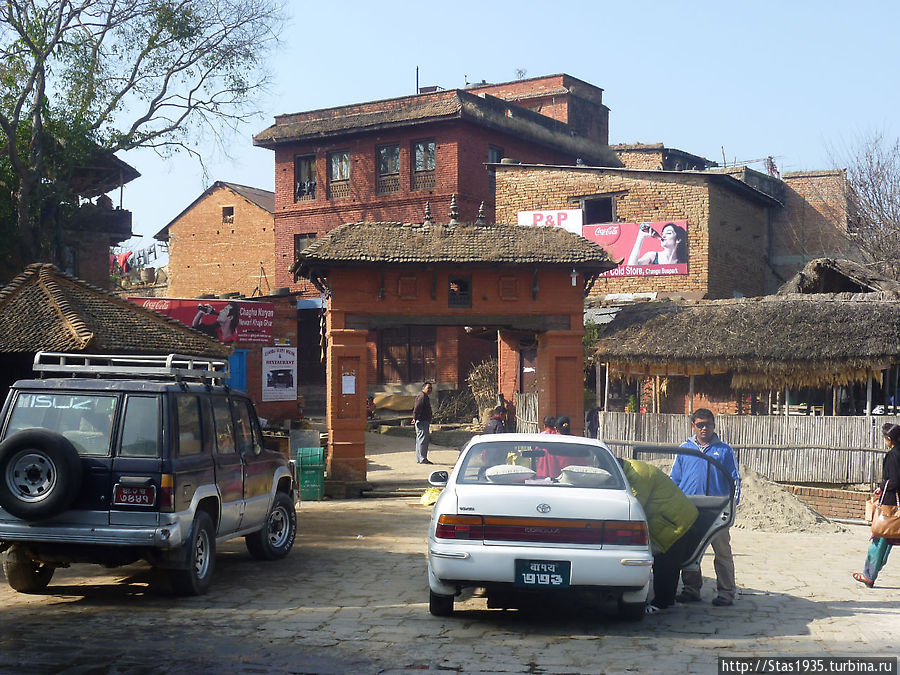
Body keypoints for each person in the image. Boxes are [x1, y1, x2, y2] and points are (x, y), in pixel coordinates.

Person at [671, 408, 741, 606]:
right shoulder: (684, 449)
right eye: (700, 424)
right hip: (689, 508)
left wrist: (731, 506)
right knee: (690, 551)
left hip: (717, 510)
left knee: (722, 552)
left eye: (708, 424)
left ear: (714, 426)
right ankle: (691, 589)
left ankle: (726, 592)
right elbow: (674, 479)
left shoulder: (725, 451)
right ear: (693, 426)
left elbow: (735, 479)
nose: (704, 428)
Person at [619, 458, 699, 613]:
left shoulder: (639, 474)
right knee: (668, 563)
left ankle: (661, 603)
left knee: (665, 563)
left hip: (675, 522)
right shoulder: (632, 469)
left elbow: (634, 506)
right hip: (672, 519)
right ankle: (667, 600)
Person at [853, 423, 900, 587]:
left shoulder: (893, 455)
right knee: (887, 541)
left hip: (890, 503)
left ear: (889, 439)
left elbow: (893, 480)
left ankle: (869, 574)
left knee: (880, 538)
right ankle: (871, 573)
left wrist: (882, 490)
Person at [412, 382, 433, 465]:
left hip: (422, 420)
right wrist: (415, 417)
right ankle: (422, 458)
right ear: (423, 388)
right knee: (423, 439)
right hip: (422, 420)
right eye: (428, 388)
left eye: (431, 388)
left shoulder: (424, 396)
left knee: (420, 439)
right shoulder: (422, 396)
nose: (430, 390)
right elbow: (417, 407)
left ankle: (419, 458)